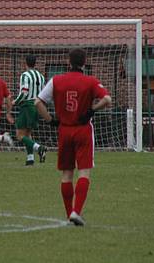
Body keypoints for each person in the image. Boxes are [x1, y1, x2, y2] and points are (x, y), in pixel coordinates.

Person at [35, 48, 112, 226]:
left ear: (68, 62)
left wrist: (50, 120)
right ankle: (77, 211)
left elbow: (38, 102)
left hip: (64, 130)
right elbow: (107, 99)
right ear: (84, 63)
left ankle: (69, 213)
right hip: (83, 130)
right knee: (84, 171)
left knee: (66, 173)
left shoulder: (57, 80)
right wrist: (92, 110)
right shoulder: (90, 81)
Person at [12, 54, 48, 166]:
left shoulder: (25, 75)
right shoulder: (41, 76)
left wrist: (15, 102)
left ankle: (39, 148)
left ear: (25, 63)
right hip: (37, 105)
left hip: (27, 105)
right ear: (35, 63)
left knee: (19, 135)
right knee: (28, 133)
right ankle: (30, 158)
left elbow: (24, 92)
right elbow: (43, 93)